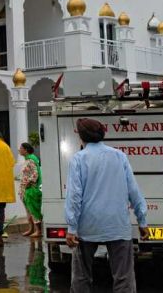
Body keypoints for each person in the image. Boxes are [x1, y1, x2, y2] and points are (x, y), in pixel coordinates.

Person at [65, 118, 149, 293]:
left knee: (81, 276)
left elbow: (74, 195)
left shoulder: (79, 159)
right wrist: (142, 221)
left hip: (88, 225)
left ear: (81, 137)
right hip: (117, 224)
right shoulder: (119, 156)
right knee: (124, 277)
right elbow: (133, 190)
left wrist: (72, 227)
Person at [19, 142, 42, 238]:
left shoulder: (31, 160)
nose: (19, 150)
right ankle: (31, 229)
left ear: (26, 150)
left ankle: (38, 231)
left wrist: (28, 182)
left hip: (31, 189)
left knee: (33, 210)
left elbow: (35, 174)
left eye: (21, 148)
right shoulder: (27, 160)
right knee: (29, 210)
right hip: (25, 190)